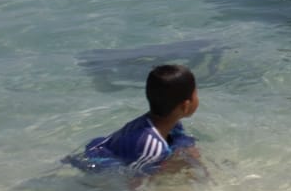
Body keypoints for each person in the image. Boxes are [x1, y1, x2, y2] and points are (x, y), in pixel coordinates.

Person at [67, 63, 202, 176]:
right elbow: (137, 180)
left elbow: (181, 142)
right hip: (96, 164)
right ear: (186, 105)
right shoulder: (153, 147)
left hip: (109, 147)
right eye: (196, 94)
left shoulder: (167, 123)